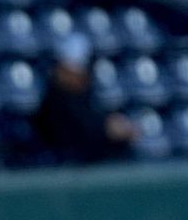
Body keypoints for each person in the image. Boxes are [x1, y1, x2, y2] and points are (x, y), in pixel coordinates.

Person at [33, 32, 137, 163]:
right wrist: (106, 129)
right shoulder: (54, 101)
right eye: (71, 71)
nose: (81, 76)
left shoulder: (85, 96)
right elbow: (71, 134)